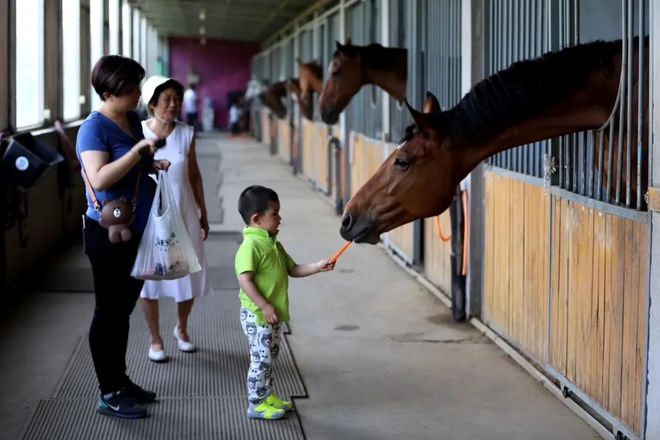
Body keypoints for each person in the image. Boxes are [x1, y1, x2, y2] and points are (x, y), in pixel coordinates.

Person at [76, 55, 170, 419]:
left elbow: (134, 165)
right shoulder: (92, 129)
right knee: (108, 312)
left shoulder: (131, 119)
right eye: (130, 89)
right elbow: (99, 178)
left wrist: (151, 161)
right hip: (106, 234)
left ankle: (121, 380)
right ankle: (108, 392)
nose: (137, 95)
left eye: (137, 87)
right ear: (108, 92)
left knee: (123, 311)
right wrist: (136, 152)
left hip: (139, 228)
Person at [235, 185, 334, 420]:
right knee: (260, 360)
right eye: (275, 213)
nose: (280, 218)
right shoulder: (250, 247)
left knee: (270, 357)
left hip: (272, 315)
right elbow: (245, 281)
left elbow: (294, 269)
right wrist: (265, 305)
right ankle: (256, 403)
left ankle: (267, 395)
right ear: (257, 219)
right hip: (259, 316)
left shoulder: (274, 244)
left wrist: (318, 266)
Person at [138, 75, 213, 363]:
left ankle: (182, 329)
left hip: (183, 212)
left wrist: (203, 212)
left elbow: (194, 176)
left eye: (176, 99)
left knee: (187, 274)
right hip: (150, 218)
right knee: (148, 278)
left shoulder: (186, 133)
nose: (173, 104)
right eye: (166, 99)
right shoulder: (138, 131)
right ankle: (155, 339)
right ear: (152, 101)